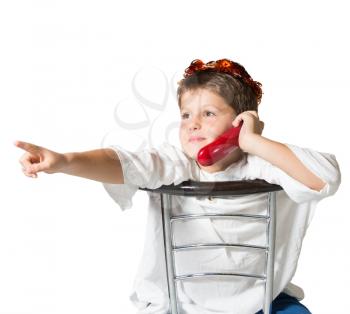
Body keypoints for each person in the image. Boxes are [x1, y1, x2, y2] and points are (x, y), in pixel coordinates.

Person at [14, 58, 341, 314]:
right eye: (185, 115)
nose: (193, 123)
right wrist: (66, 160)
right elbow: (124, 163)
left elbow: (324, 177)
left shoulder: (265, 164)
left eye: (209, 113)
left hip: (262, 301)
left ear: (241, 121)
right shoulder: (176, 163)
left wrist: (254, 142)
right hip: (177, 303)